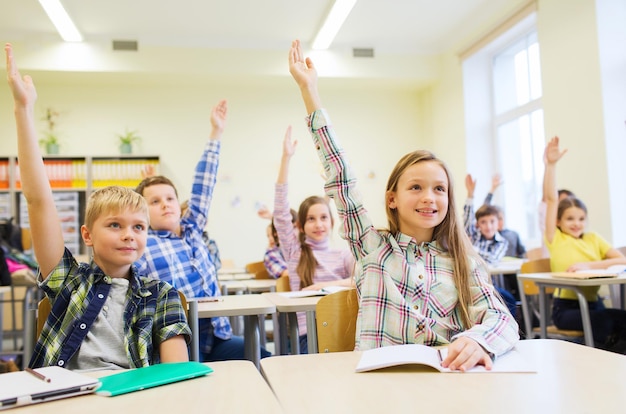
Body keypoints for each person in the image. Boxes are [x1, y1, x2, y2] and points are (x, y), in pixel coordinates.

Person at [288, 39, 518, 371]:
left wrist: (477, 339)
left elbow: (500, 317)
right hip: (381, 386)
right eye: (416, 187)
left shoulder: (462, 259)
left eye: (439, 189)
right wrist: (310, 92)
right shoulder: (373, 248)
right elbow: (341, 178)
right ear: (392, 199)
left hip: (447, 384)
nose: (429, 197)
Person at [5, 43, 190, 370]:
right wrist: (24, 110)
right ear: (87, 235)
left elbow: (176, 371)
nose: (128, 235)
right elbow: (38, 201)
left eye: (138, 227)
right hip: (66, 397)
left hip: (132, 397)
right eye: (114, 225)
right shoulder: (70, 281)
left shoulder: (162, 295)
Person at [134, 100, 269, 362]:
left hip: (214, 337)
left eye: (170, 198)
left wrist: (216, 133)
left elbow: (203, 185)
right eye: (155, 201)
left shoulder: (192, 229)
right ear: (142, 211)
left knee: (263, 359)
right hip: (173, 345)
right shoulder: (143, 244)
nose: (165, 205)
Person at [274, 125, 355, 353]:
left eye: (323, 218)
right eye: (311, 219)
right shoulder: (295, 252)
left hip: (345, 331)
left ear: (331, 221)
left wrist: (322, 287)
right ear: (300, 225)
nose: (318, 224)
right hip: (309, 334)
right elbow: (280, 212)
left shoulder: (343, 254)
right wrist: (286, 158)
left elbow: (362, 279)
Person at [543, 136, 626, 354]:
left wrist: (589, 266)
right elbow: (551, 200)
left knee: (619, 319)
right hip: (566, 309)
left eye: (581, 218)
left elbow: (621, 260)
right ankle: (598, 353)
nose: (576, 224)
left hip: (594, 303)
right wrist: (551, 165)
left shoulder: (593, 238)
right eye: (570, 219)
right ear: (558, 221)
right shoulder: (556, 238)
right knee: (606, 322)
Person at [482, 174, 526, 258]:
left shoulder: (513, 234)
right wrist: (492, 189)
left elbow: (522, 254)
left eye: (500, 218)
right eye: (495, 219)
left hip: (510, 269)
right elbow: (484, 210)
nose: (499, 222)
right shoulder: (490, 235)